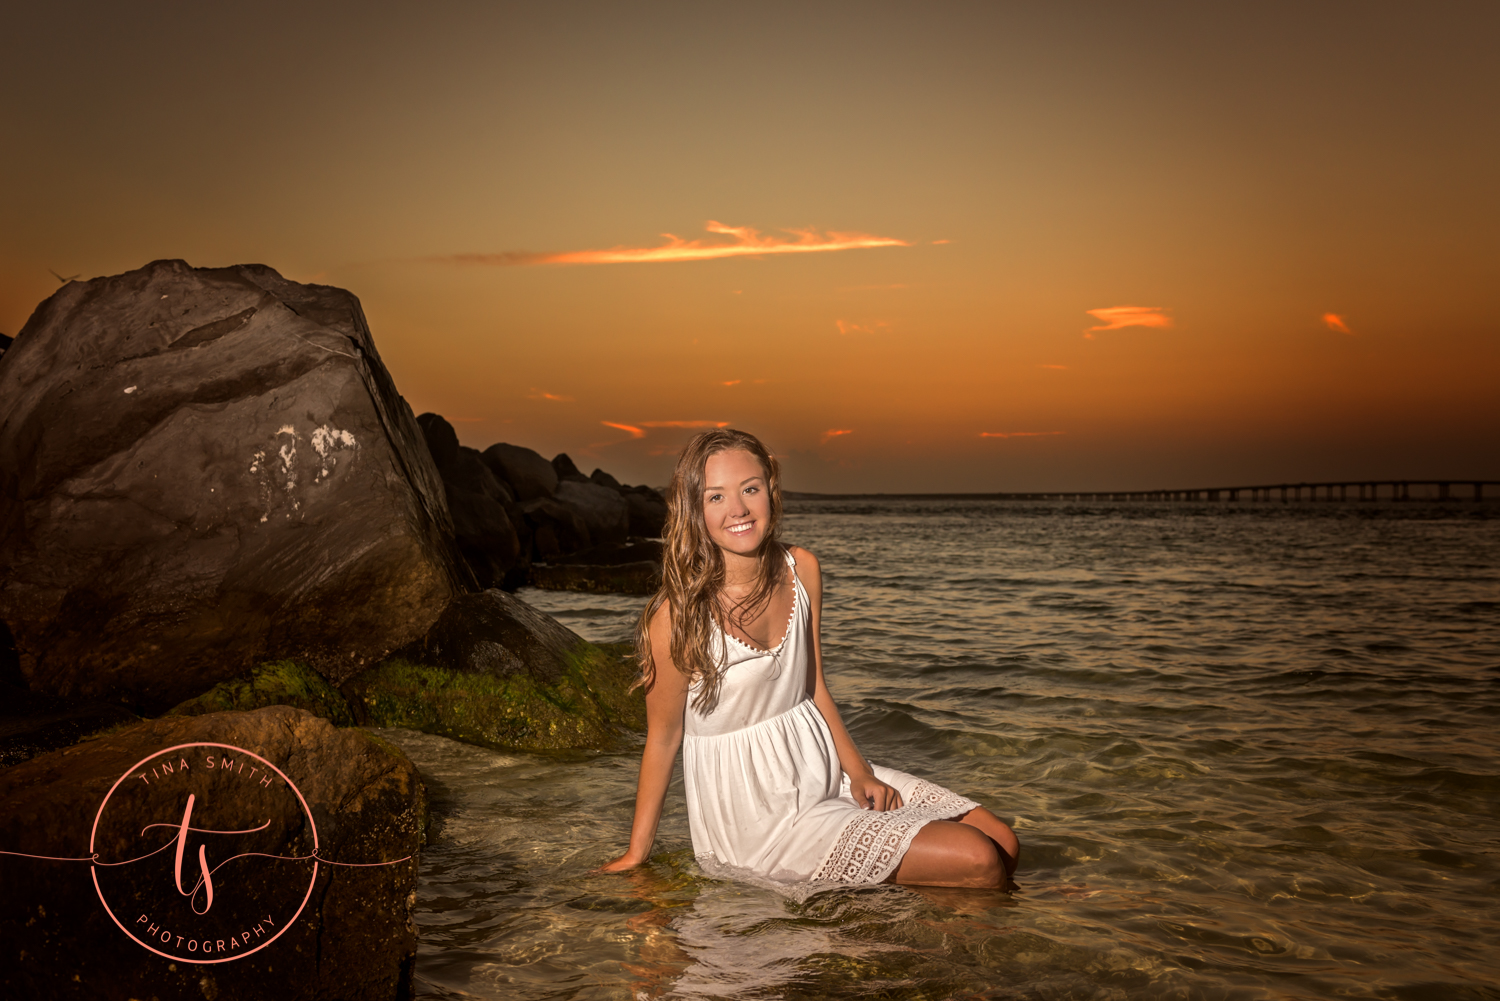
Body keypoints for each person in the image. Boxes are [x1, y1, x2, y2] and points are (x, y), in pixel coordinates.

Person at [601, 428, 1018, 888]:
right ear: (694, 509)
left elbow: (813, 683)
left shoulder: (802, 569)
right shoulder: (678, 615)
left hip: (821, 765)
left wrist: (858, 772)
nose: (737, 509)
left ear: (771, 491)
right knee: (977, 859)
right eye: (716, 496)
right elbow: (663, 739)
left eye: (750, 489)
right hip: (757, 815)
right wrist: (637, 854)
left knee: (1001, 840)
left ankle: (924, 934)